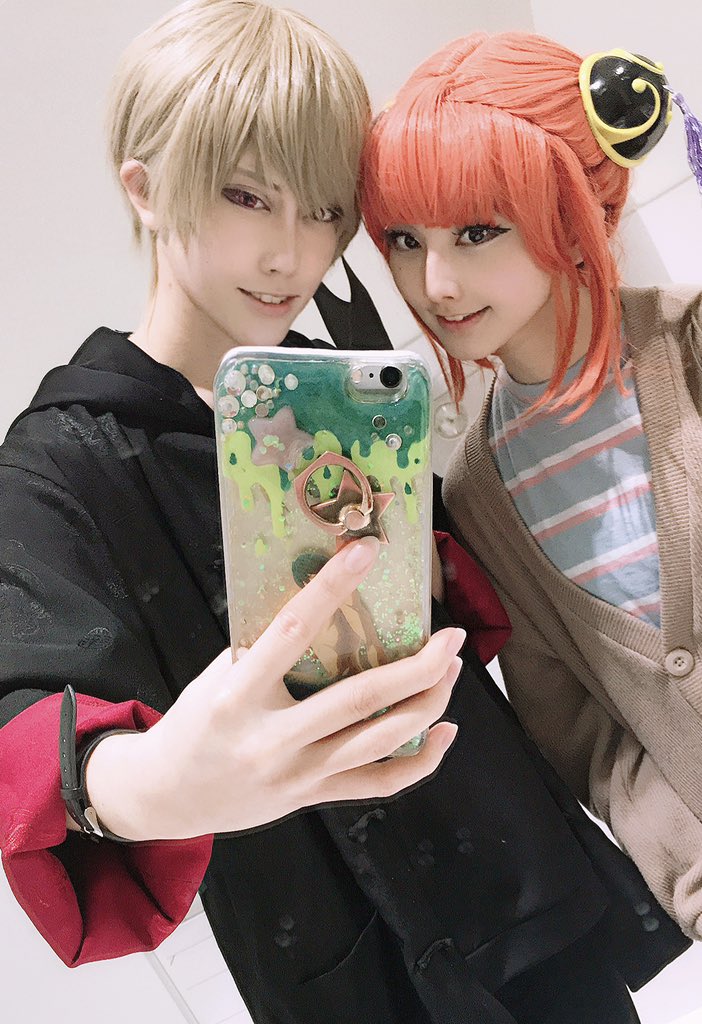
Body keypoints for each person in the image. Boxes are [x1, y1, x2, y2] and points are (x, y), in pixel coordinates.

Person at [0, 5, 690, 1022]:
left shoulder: (344, 403)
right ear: (145, 187)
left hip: (527, 903)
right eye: (246, 195)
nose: (294, 253)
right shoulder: (60, 463)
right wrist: (146, 784)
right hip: (351, 960)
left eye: (326, 210)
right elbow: (31, 703)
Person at [361, 30, 702, 945]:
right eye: (404, 240)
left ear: (568, 203)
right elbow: (585, 733)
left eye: (477, 231)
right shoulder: (481, 494)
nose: (435, 281)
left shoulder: (690, 346)